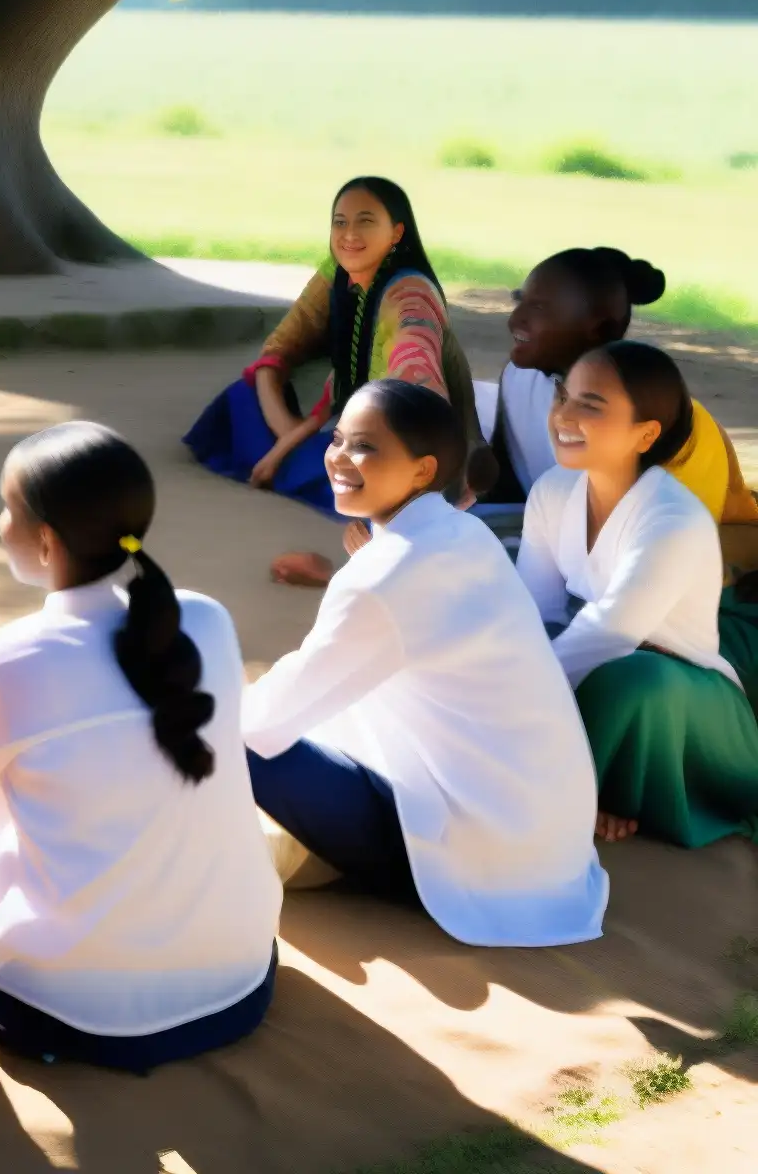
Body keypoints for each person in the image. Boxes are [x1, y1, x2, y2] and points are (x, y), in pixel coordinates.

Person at [0, 423, 280, 1071]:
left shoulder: (1, 663)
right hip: (238, 985)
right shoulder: (208, 620)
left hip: (74, 1013)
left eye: (8, 508)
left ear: (47, 540)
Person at [244, 380, 607, 947]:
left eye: (364, 446)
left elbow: (267, 719)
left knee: (225, 733)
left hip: (477, 867)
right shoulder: (466, 533)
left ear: (421, 471)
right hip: (547, 852)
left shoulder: (386, 575)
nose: (338, 456)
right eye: (337, 438)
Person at [516, 341, 758, 847]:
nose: (565, 414)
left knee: (632, 678)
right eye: (565, 395)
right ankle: (589, 785)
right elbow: (534, 611)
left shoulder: (674, 519)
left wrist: (509, 702)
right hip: (590, 665)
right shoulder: (552, 491)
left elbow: (609, 632)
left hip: (682, 701)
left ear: (645, 433)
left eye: (592, 406)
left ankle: (581, 791)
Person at [184, 177, 477, 520]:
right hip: (341, 417)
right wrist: (286, 436)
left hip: (386, 436)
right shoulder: (339, 271)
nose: (349, 234)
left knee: (344, 469)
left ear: (396, 233)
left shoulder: (410, 298)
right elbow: (282, 347)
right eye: (340, 222)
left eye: (365, 222)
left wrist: (288, 449)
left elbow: (416, 394)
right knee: (242, 396)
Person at [480, 248, 757, 565]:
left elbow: (669, 543)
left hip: (700, 545)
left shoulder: (661, 415)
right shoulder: (520, 377)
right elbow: (508, 475)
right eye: (520, 301)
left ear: (600, 330)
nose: (515, 319)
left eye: (540, 308)